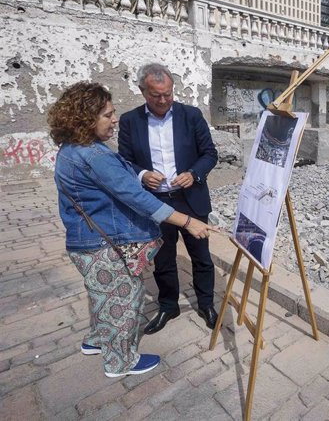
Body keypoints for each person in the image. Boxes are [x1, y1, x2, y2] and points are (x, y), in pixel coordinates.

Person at [48, 82, 214, 378]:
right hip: (104, 244)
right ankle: (120, 362)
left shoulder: (72, 150)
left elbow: (208, 154)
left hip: (85, 240)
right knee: (123, 301)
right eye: (107, 115)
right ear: (86, 119)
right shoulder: (94, 156)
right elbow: (135, 197)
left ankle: (97, 341)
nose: (114, 120)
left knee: (102, 296)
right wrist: (188, 222)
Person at [118, 63, 219, 335]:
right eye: (155, 95)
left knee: (201, 256)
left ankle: (206, 304)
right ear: (142, 91)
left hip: (191, 199)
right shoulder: (130, 121)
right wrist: (141, 175)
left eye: (167, 94)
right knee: (162, 259)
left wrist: (193, 174)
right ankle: (168, 305)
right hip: (155, 203)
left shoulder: (191, 115)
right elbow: (124, 161)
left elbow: (209, 153)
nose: (163, 100)